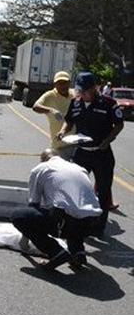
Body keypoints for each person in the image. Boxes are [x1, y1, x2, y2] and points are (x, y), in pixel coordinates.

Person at [57, 71, 124, 237]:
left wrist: (108, 140)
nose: (82, 94)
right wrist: (63, 130)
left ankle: (99, 227)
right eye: (80, 91)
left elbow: (119, 124)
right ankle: (77, 222)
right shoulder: (76, 103)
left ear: (94, 88)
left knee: (103, 191)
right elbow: (69, 120)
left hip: (102, 154)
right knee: (77, 187)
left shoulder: (108, 103)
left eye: (86, 91)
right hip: (82, 154)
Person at [12, 149, 102, 270]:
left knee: (18, 216)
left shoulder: (40, 169)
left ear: (43, 159)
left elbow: (34, 204)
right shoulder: (79, 168)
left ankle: (56, 252)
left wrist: (24, 240)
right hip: (93, 223)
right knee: (73, 209)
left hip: (66, 222)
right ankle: (78, 253)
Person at [32, 71, 76, 159]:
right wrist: (51, 110)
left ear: (69, 83)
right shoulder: (50, 95)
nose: (63, 86)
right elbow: (35, 107)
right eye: (59, 83)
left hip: (76, 143)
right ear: (55, 84)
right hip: (60, 144)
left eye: (65, 83)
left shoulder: (74, 93)